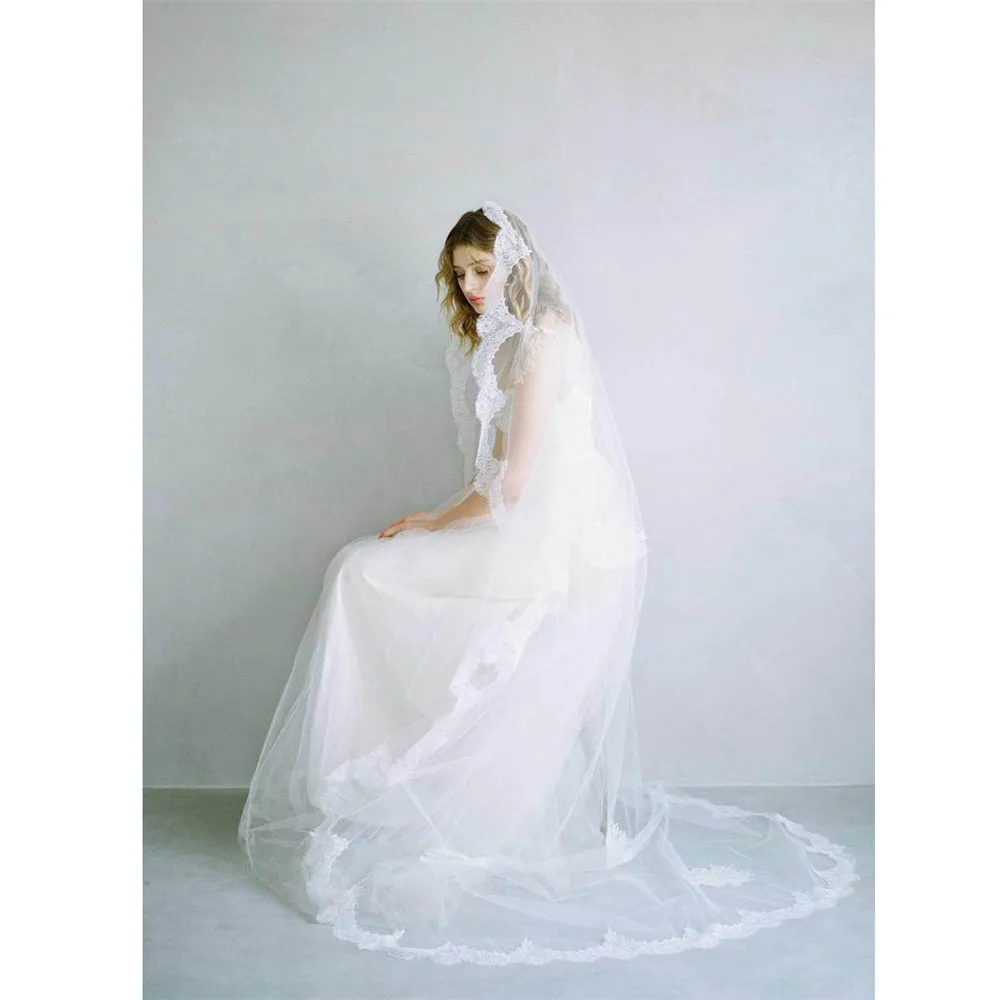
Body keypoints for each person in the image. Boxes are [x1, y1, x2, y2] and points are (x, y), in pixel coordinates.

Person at [237, 200, 858, 966]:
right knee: (361, 571)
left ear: (517, 265)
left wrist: (434, 520)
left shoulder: (544, 339)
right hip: (525, 523)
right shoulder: (506, 339)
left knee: (363, 572)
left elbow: (515, 482)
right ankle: (394, 789)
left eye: (483, 270)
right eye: (460, 274)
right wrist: (445, 518)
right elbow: (501, 473)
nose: (471, 287)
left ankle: (405, 787)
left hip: (554, 539)